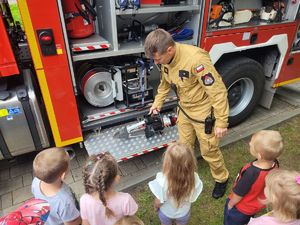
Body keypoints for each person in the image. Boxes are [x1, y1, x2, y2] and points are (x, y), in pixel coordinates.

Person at [144, 28, 229, 199]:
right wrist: (157, 104)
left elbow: (217, 91)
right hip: (184, 110)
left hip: (203, 113)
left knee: (209, 150)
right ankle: (186, 176)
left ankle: (221, 178)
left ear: (170, 49)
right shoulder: (166, 61)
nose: (156, 62)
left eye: (158, 58)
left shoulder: (196, 59)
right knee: (184, 147)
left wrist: (221, 121)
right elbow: (164, 84)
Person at [224, 130, 283, 225]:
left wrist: (231, 204)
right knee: (246, 220)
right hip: (255, 206)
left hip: (240, 208)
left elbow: (239, 193)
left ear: (259, 155)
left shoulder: (251, 173)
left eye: (251, 144)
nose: (249, 143)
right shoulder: (274, 164)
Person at [148, 143, 203, 225]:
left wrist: (156, 207)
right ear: (191, 162)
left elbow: (159, 201)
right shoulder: (194, 178)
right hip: (183, 213)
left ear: (167, 162)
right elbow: (192, 198)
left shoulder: (162, 180)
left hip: (166, 212)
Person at [80, 152, 138, 225]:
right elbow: (131, 222)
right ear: (117, 179)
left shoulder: (84, 199)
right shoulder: (126, 200)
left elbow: (85, 223)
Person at [32, 147, 81, 225]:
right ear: (63, 175)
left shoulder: (36, 182)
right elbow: (71, 222)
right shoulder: (64, 202)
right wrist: (81, 219)